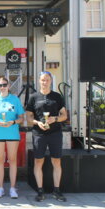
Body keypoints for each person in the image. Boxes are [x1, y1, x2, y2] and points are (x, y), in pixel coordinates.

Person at [26, 71, 68, 202]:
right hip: (39, 134)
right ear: (39, 81)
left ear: (51, 81)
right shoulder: (33, 97)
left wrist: (54, 119)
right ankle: (40, 191)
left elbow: (64, 116)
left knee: (56, 161)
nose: (45, 82)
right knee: (39, 161)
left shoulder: (57, 96)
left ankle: (57, 190)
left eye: (47, 80)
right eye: (43, 80)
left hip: (55, 133)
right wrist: (38, 122)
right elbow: (28, 118)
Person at [0, 77, 25, 199]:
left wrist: (13, 122)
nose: (2, 87)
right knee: (0, 160)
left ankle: (13, 188)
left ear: (8, 86)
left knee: (12, 160)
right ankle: (1, 188)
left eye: (4, 84)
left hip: (12, 134)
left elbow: (21, 118)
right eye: (0, 85)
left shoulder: (15, 99)